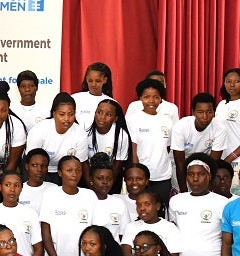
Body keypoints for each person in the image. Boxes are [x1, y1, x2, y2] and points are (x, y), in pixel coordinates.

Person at [40, 155, 99, 256]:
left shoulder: (89, 195)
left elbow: (95, 232)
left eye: (78, 170)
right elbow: (45, 234)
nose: (74, 174)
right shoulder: (51, 194)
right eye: (69, 170)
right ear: (60, 173)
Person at [127, 78, 174, 208]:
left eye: (156, 97)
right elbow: (133, 148)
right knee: (142, 210)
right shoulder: (132, 119)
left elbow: (167, 148)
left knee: (160, 211)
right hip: (141, 177)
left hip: (162, 176)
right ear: (140, 98)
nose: (151, 101)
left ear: (161, 99)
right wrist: (137, 172)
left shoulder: (167, 121)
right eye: (147, 97)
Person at [0, 171, 43, 256]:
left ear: (21, 188)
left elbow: (39, 249)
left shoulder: (31, 214)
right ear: (0, 187)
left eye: (16, 185)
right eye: (7, 185)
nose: (12, 189)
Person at [26, 92, 90, 183]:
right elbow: (32, 161)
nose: (67, 119)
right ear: (54, 113)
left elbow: (79, 164)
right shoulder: (39, 130)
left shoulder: (80, 133)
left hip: (65, 173)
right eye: (62, 114)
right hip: (41, 171)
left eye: (71, 114)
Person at [171, 93, 228, 187]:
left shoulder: (220, 128)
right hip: (182, 165)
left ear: (214, 112)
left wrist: (208, 188)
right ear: (193, 112)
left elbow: (213, 162)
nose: (205, 117)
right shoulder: (181, 127)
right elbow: (180, 163)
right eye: (200, 112)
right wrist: (183, 191)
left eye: (209, 112)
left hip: (205, 163)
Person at [120, 190, 181, 256]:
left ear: (158, 206)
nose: (142, 208)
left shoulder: (169, 227)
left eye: (147, 204)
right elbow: (126, 254)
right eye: (138, 205)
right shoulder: (131, 227)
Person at [89, 153, 133, 242]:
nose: (105, 182)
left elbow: (124, 235)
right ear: (91, 179)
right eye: (100, 178)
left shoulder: (118, 203)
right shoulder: (82, 201)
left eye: (109, 179)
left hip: (113, 254)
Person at [88, 98, 130, 189]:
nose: (102, 117)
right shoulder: (87, 133)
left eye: (108, 114)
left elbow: (117, 164)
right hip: (89, 178)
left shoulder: (121, 135)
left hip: (111, 179)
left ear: (115, 118)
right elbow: (84, 163)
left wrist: (108, 184)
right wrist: (90, 182)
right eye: (99, 112)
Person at [71, 61, 112, 131]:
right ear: (86, 79)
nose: (93, 84)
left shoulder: (111, 103)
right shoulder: (74, 99)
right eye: (90, 80)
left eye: (97, 81)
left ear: (105, 80)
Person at [19, 148, 51, 215]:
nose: (39, 169)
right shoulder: (18, 189)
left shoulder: (54, 189)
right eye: (34, 165)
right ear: (27, 166)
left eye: (43, 166)